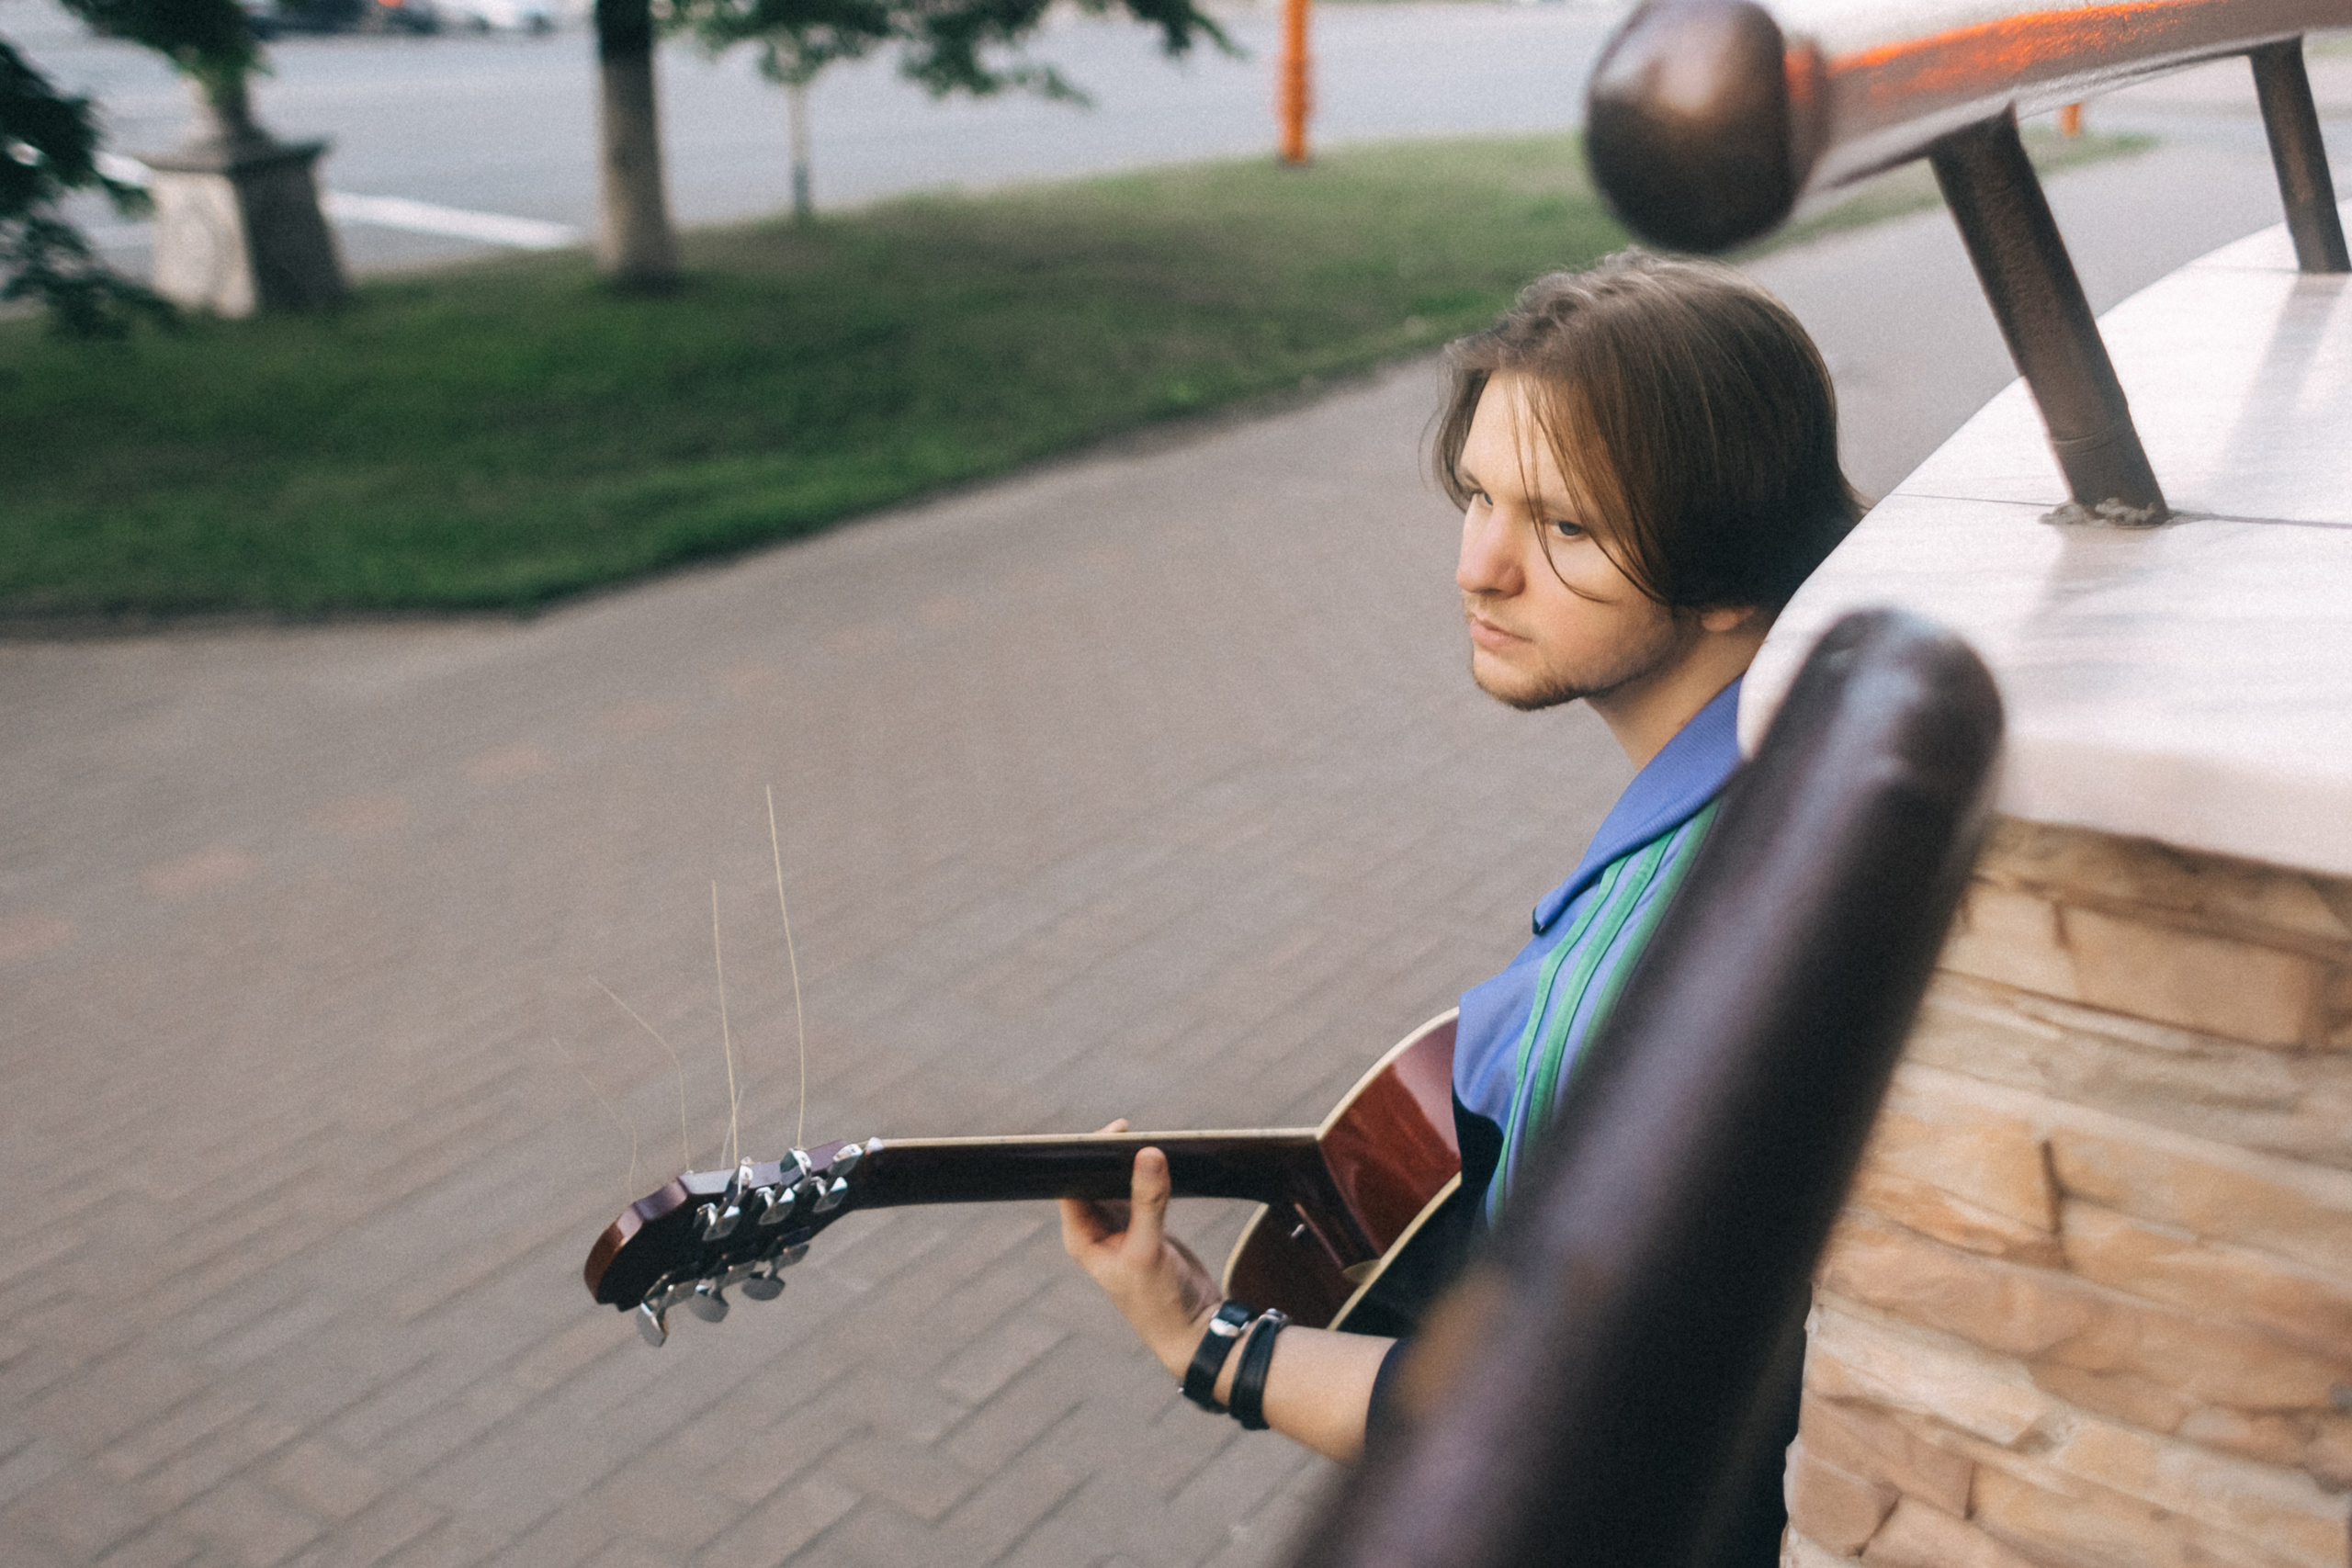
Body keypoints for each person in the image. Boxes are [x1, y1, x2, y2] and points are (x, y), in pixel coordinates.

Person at [1059, 251, 1863, 1466]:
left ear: (1730, 573)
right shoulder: (1802, 759)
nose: (1478, 566)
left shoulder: (1682, 953)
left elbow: (1541, 1422)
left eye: (1565, 526)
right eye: (1480, 497)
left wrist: (1200, 1341)